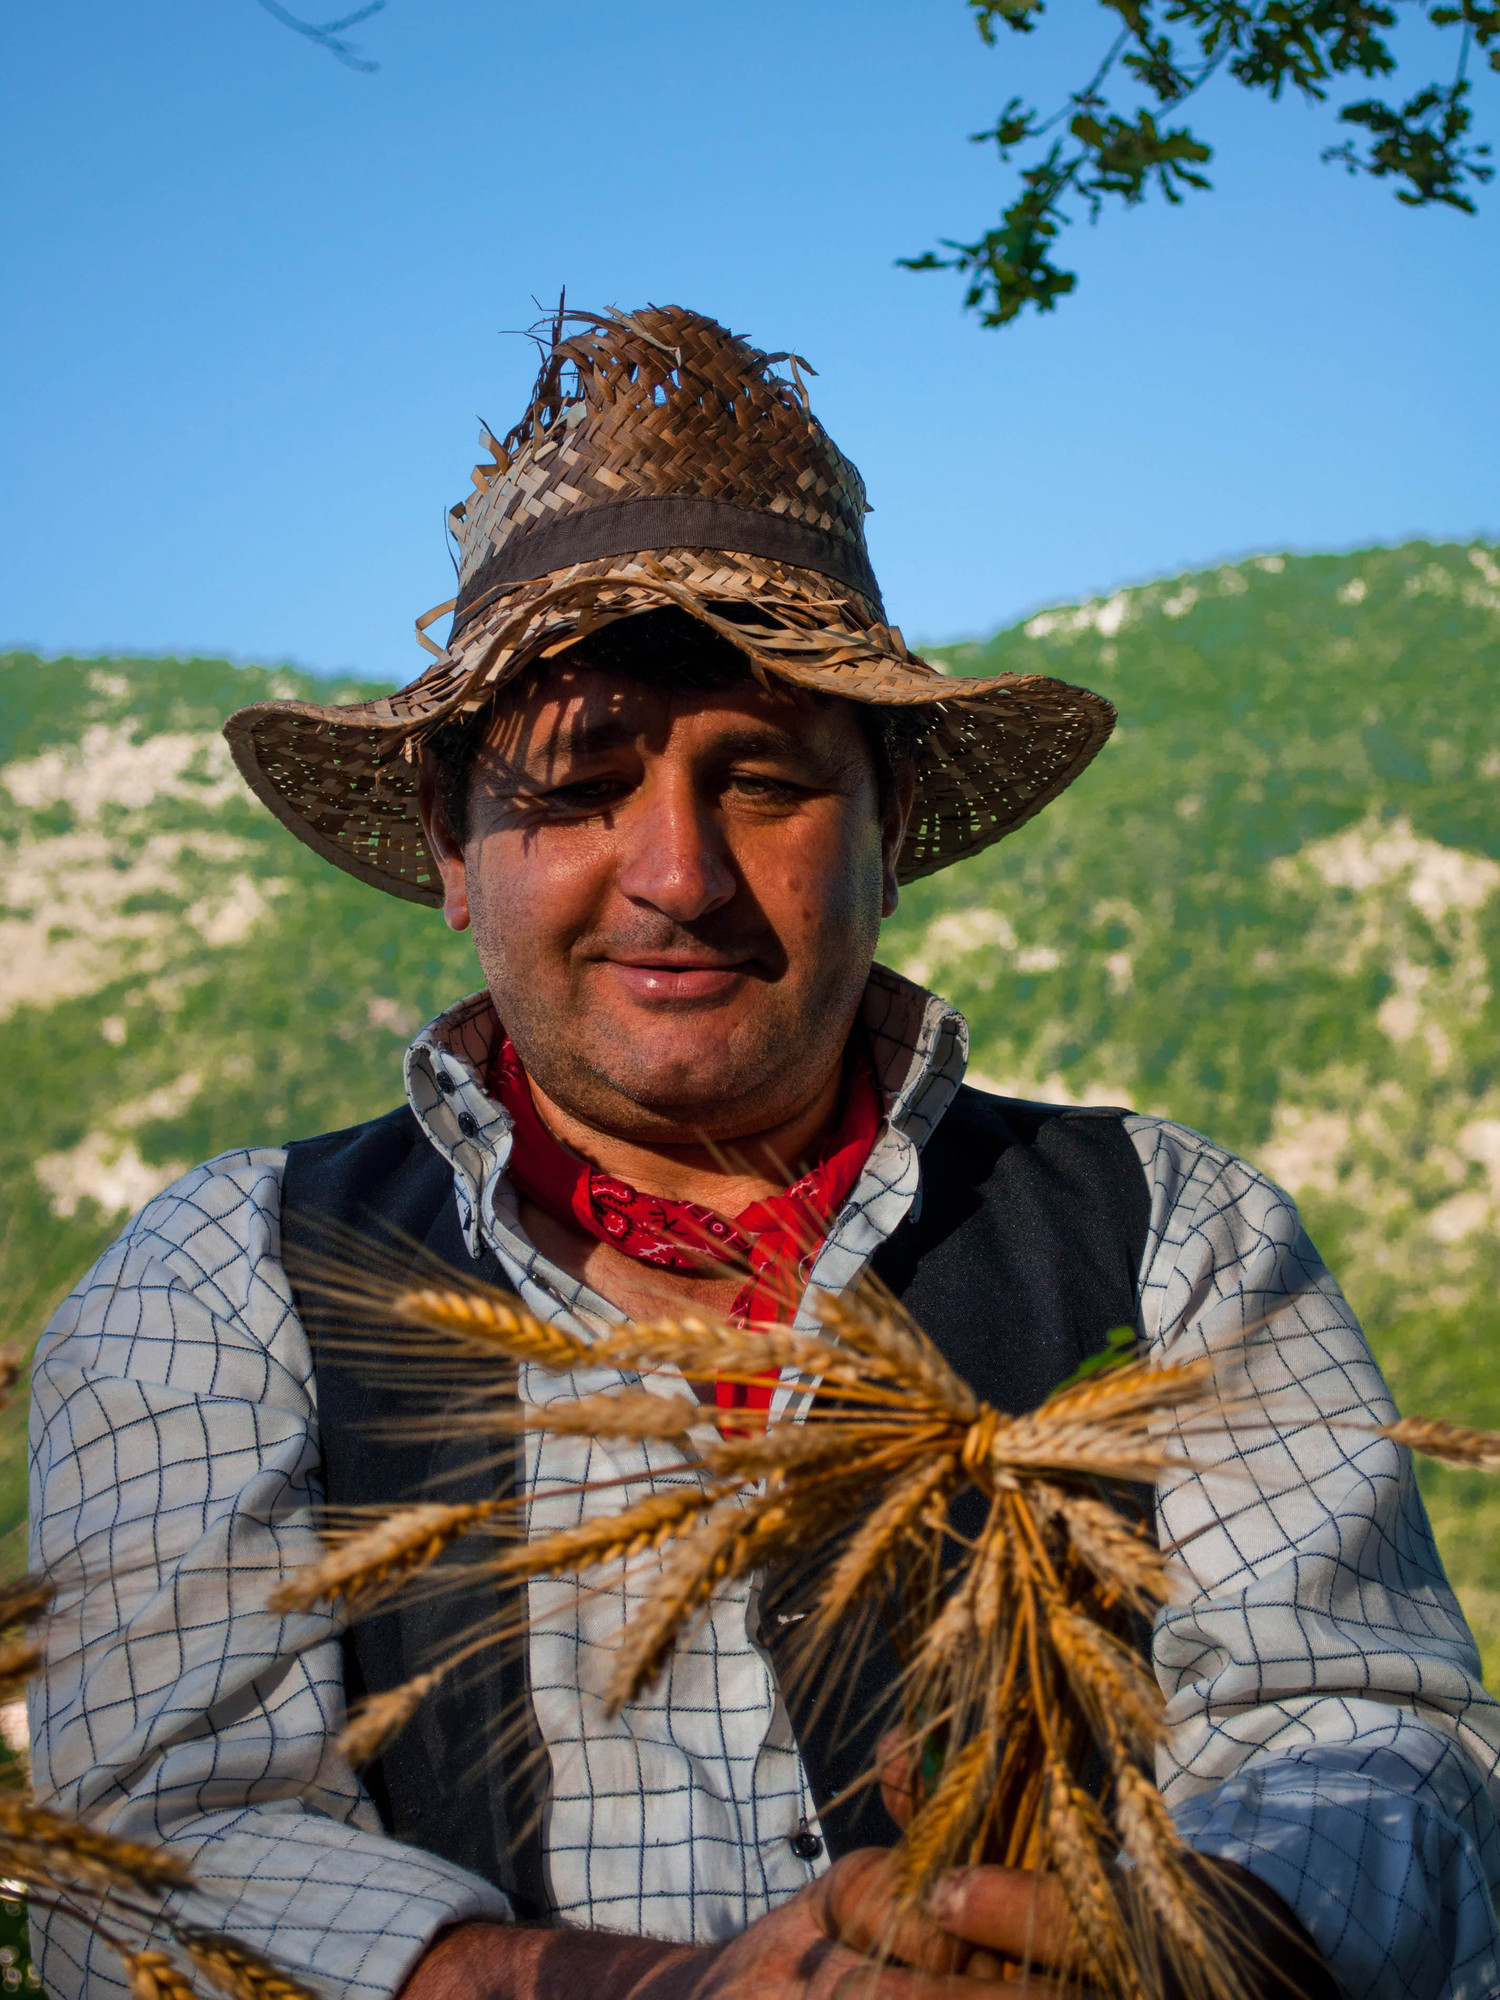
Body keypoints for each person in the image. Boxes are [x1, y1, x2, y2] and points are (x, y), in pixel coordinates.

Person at [28, 307, 1500, 2000]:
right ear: (453, 851)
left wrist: (1220, 1942)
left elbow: (1362, 1727)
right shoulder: (222, 1282)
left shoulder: (1174, 1231)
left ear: (891, 836)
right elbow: (152, 1864)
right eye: (578, 791)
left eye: (765, 783)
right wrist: (661, 1993)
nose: (678, 874)